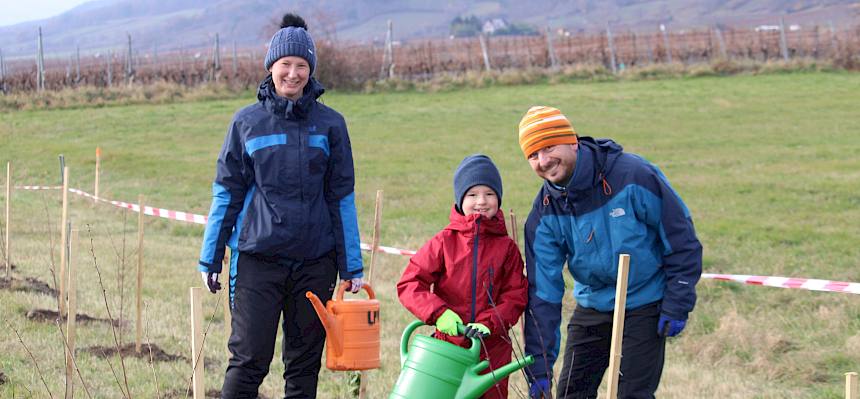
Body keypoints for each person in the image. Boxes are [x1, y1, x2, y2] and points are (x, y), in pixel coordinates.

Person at [196, 13, 364, 398]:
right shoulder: (246, 124)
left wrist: (351, 264)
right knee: (248, 362)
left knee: (303, 368)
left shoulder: (331, 125)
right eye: (285, 64)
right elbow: (227, 193)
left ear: (311, 70)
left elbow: (342, 197)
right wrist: (211, 256)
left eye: (301, 65)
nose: (293, 74)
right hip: (258, 260)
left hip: (314, 263)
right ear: (271, 66)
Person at [518, 106, 703, 399]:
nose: (543, 161)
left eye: (549, 147)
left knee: (631, 395)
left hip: (644, 300)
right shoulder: (543, 215)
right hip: (593, 304)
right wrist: (539, 368)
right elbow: (543, 293)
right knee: (571, 394)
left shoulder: (633, 175)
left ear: (572, 141)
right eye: (533, 155)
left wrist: (678, 299)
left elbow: (680, 238)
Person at [397, 154, 528, 399]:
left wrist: (489, 323)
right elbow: (410, 283)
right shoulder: (444, 241)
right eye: (472, 195)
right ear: (459, 200)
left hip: (493, 352)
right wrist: (439, 313)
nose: (481, 201)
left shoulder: (507, 247)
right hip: (447, 348)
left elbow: (516, 295)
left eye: (489, 194)